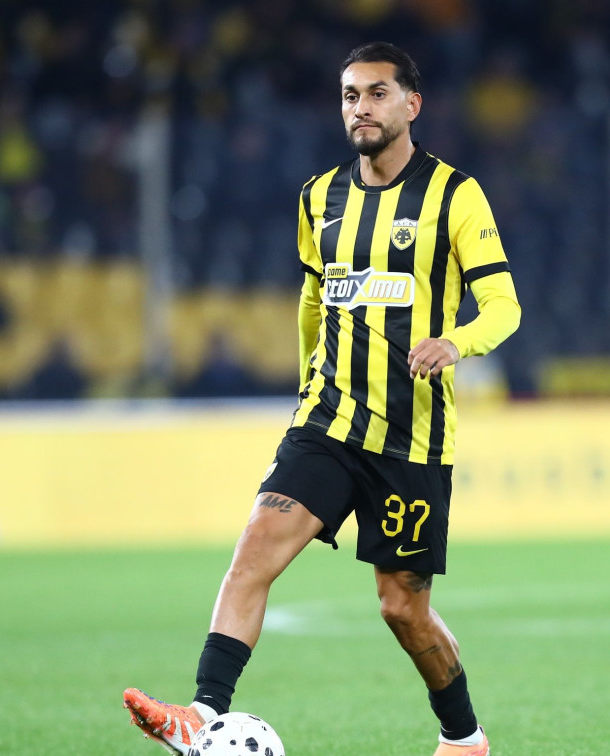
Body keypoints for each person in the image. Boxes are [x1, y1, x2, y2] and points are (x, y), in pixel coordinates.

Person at [123, 42, 520, 756]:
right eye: (349, 96)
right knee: (254, 551)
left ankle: (463, 737)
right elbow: (314, 299)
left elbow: (503, 306)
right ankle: (202, 715)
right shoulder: (319, 197)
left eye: (376, 93)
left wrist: (455, 342)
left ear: (412, 104)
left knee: (402, 608)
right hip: (327, 422)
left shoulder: (454, 196)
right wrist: (311, 379)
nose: (360, 108)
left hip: (410, 437)